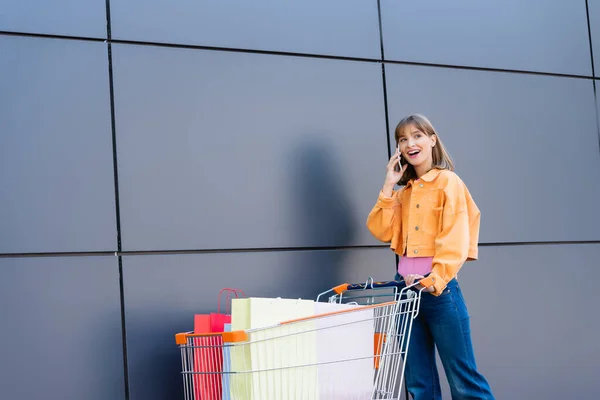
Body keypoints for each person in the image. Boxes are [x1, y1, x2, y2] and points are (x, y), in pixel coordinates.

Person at [366, 114, 495, 399]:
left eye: (417, 136)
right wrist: (389, 185)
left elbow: (456, 235)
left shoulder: (448, 182)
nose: (410, 143)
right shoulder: (404, 193)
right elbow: (380, 229)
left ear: (432, 140)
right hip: (405, 292)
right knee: (419, 385)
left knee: (464, 382)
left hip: (439, 291)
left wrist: (434, 279)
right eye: (403, 139)